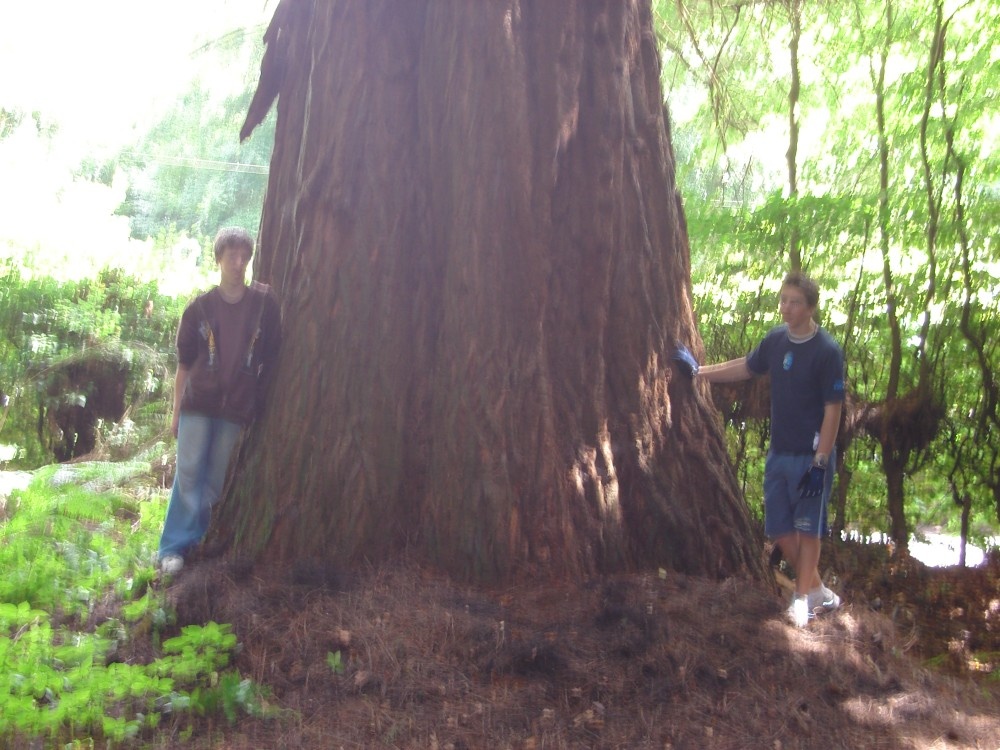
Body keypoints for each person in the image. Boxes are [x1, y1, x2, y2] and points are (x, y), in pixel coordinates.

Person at [696, 271, 845, 627]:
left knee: (809, 529)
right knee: (780, 529)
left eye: (794, 302)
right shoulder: (776, 340)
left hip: (812, 457)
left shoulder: (827, 351)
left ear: (810, 307)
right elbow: (746, 367)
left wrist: (821, 461)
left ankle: (801, 598)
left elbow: (833, 409)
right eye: (783, 300)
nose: (786, 308)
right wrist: (700, 372)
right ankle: (819, 590)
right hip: (780, 452)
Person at [158, 227, 281, 574]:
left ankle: (197, 541)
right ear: (219, 259)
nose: (238, 262)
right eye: (231, 255)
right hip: (198, 404)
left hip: (236, 406)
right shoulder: (199, 308)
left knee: (214, 479)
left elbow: (272, 352)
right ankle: (172, 548)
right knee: (189, 473)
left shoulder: (263, 303)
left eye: (244, 255)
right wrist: (176, 411)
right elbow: (184, 366)